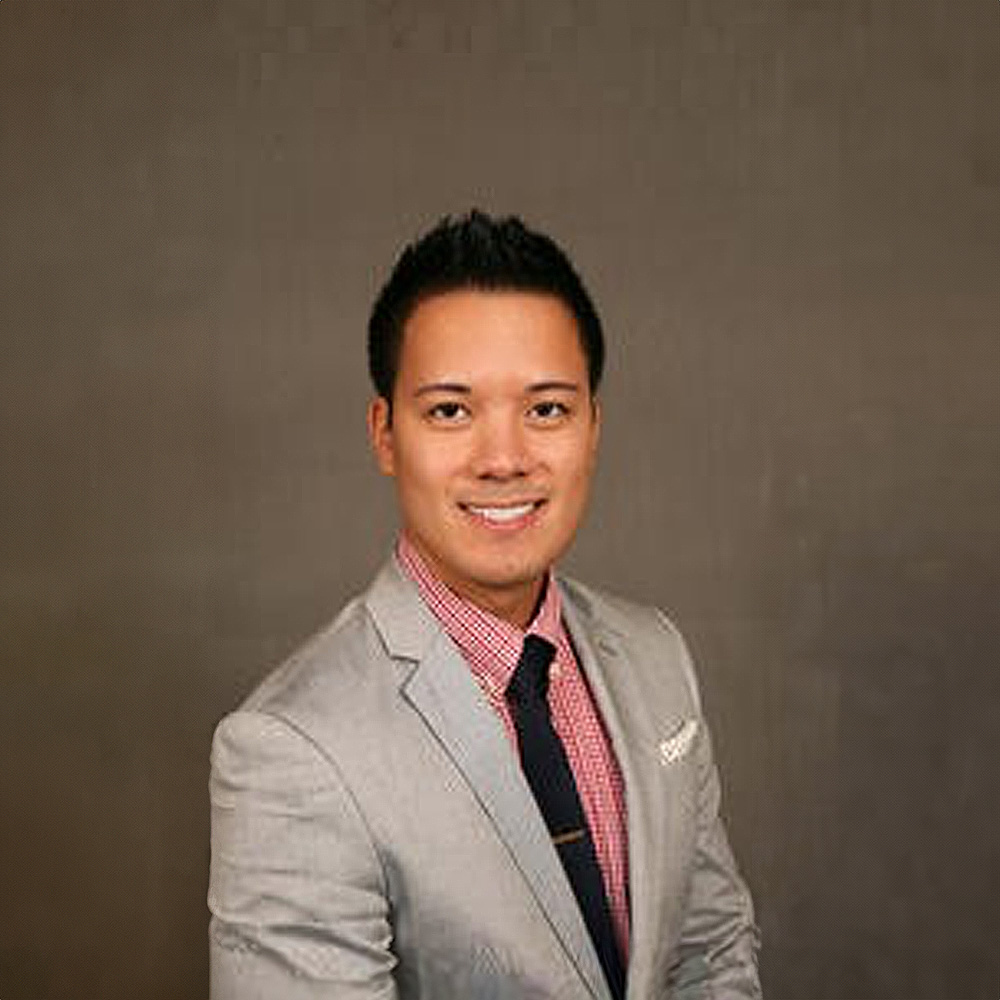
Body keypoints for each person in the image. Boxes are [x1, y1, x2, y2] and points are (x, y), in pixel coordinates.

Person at [208, 210, 761, 999]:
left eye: (546, 409)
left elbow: (711, 952)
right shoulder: (291, 748)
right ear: (384, 435)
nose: (503, 460)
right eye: (450, 411)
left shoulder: (654, 655)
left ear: (594, 427)